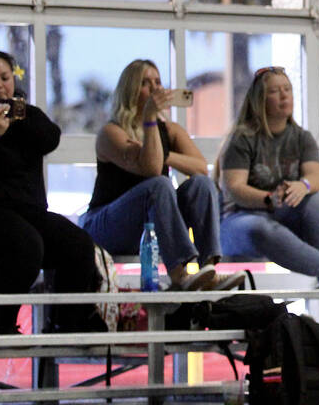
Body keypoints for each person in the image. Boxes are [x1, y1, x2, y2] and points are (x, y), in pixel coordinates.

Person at [83, 59, 243, 291]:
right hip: (105, 224)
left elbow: (199, 168)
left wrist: (165, 153)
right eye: (145, 83)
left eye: (157, 82)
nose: (154, 88)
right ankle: (179, 273)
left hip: (149, 226)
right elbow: (150, 169)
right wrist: (148, 119)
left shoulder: (169, 130)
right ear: (131, 90)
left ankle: (208, 270)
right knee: (158, 184)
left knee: (201, 184)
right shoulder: (111, 133)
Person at [0, 49, 100, 334]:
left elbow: (50, 138)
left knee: (78, 244)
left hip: (28, 211)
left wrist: (18, 116)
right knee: (26, 245)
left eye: (5, 78)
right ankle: (3, 326)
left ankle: (66, 324)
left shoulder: (26, 115)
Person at [216, 66, 319, 288]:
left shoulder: (302, 138)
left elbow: (316, 175)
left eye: (287, 89)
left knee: (316, 202)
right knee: (262, 228)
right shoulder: (242, 139)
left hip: (282, 215)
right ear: (260, 99)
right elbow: (235, 188)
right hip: (239, 222)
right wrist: (269, 198)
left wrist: (304, 185)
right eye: (275, 91)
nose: (284, 96)